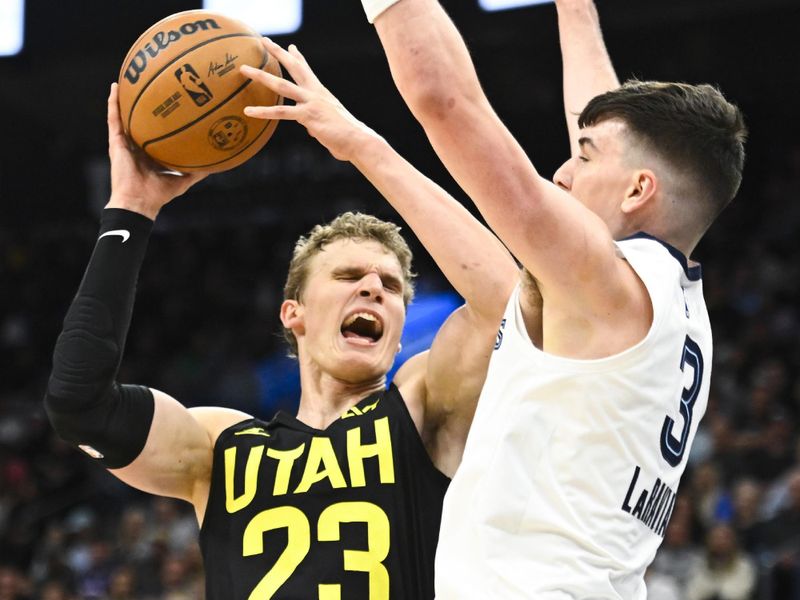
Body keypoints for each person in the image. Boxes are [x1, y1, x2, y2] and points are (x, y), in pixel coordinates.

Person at [43, 55, 517, 599]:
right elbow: (79, 404)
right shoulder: (220, 449)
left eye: (390, 287)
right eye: (348, 276)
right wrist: (128, 210)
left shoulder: (422, 408)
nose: (373, 290)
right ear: (295, 314)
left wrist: (363, 147)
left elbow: (505, 300)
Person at [350, 0, 748, 597]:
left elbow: (445, 101)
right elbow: (602, 129)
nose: (562, 173)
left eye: (582, 158)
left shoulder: (606, 287)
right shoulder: (668, 296)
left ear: (640, 190)